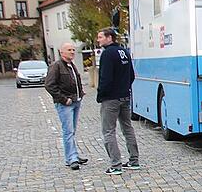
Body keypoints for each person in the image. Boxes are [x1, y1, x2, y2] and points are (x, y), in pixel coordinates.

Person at [96, 27, 140, 175]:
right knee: (128, 128)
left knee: (108, 131)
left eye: (100, 37)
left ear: (110, 38)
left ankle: (115, 165)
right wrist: (125, 88)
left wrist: (101, 94)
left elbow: (105, 78)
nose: (98, 40)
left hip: (111, 99)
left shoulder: (108, 54)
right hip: (125, 96)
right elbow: (132, 76)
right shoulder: (124, 52)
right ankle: (134, 160)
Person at [45, 42, 87, 170]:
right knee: (68, 131)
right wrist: (63, 99)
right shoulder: (56, 66)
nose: (72, 52)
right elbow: (49, 85)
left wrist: (81, 93)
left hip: (76, 100)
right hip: (66, 104)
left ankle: (73, 154)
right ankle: (71, 158)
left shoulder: (71, 66)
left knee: (72, 130)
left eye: (73, 50)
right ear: (61, 52)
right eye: (69, 50)